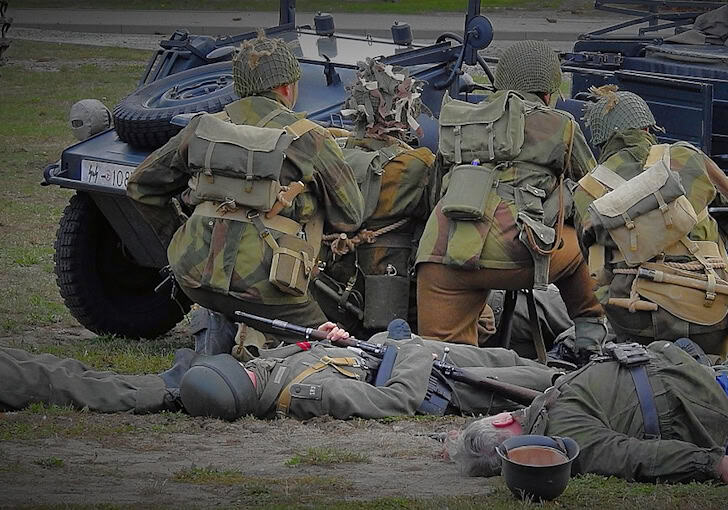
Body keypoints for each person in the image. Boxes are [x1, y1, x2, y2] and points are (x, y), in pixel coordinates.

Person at [126, 33, 364, 338]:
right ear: (287, 87)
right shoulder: (310, 138)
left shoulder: (203, 127)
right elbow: (351, 216)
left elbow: (140, 185)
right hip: (269, 288)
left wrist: (180, 238)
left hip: (193, 274)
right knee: (333, 345)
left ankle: (223, 334)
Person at [446, 330, 728, 484]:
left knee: (691, 347)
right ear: (506, 420)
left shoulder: (556, 413)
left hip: (710, 394)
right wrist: (714, 465)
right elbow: (634, 457)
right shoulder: (569, 437)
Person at [415, 40, 605, 349]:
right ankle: (590, 340)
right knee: (585, 247)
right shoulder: (560, 124)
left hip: (442, 254)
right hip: (518, 251)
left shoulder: (460, 121)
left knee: (441, 358)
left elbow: (433, 194)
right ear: (548, 94)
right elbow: (593, 194)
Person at [0, 323, 560, 422]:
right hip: (444, 378)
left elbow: (319, 358)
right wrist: (404, 346)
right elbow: (395, 403)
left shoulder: (269, 372)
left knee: (89, 379)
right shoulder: (304, 395)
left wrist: (325, 341)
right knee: (550, 382)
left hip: (414, 355)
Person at [574, 87, 728, 357]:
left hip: (633, 317)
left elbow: (595, 269)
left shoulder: (586, 190)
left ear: (601, 142)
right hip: (707, 309)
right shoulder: (687, 157)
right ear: (648, 129)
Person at [313, 58, 436, 334]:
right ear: (406, 112)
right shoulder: (417, 165)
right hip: (392, 295)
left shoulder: (331, 155)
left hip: (329, 287)